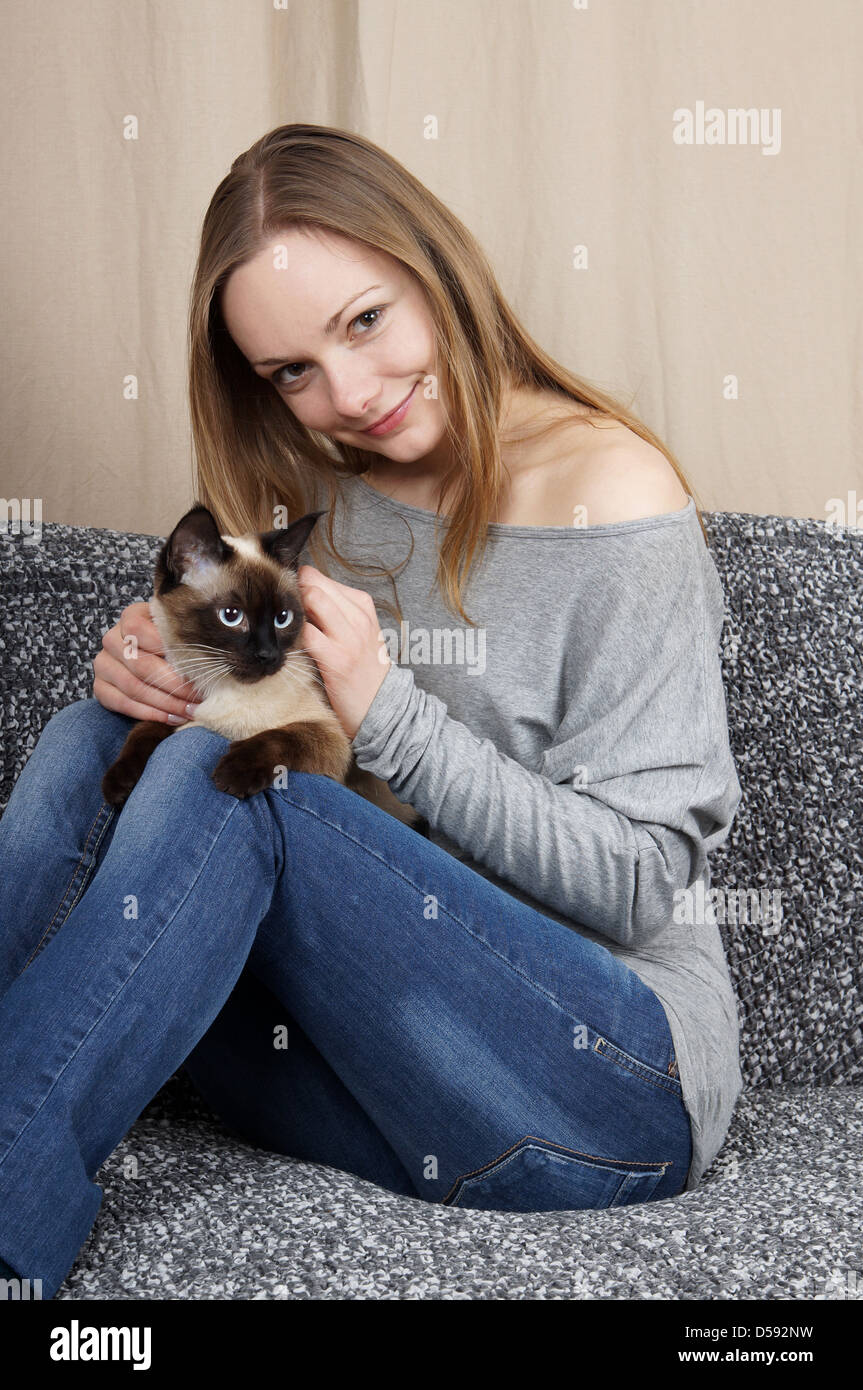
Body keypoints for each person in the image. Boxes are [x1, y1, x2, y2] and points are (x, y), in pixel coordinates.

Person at [0, 124, 743, 1299]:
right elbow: (335, 843)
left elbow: (643, 878)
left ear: (436, 269)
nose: (346, 395)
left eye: (364, 322)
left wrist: (386, 710)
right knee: (102, 741)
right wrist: (161, 680)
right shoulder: (324, 513)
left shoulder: (614, 498)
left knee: (227, 775)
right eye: (291, 372)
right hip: (385, 1070)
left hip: (599, 1089)